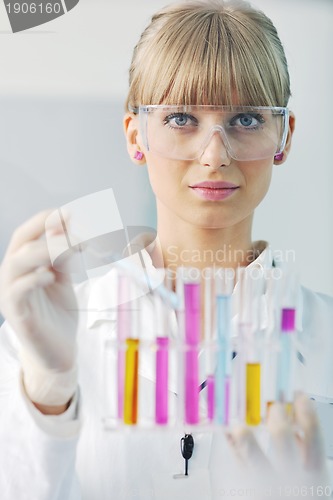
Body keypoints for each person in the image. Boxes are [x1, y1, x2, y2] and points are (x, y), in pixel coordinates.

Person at [0, 1, 332, 499]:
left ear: (282, 136)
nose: (214, 155)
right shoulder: (38, 340)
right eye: (181, 117)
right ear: (137, 136)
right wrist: (49, 392)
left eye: (245, 119)